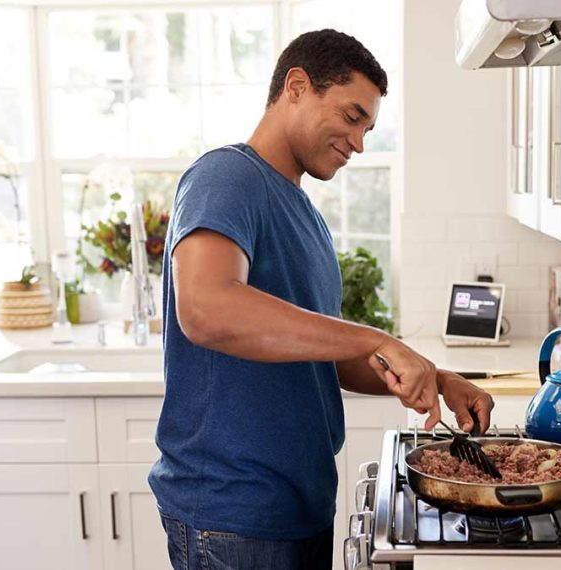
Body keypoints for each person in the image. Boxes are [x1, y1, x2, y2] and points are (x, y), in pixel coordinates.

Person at [149, 29, 494, 570]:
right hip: (233, 516)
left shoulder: (304, 214)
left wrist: (432, 375)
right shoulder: (226, 177)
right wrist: (380, 338)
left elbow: (323, 355)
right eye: (353, 116)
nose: (359, 143)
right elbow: (205, 308)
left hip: (297, 506)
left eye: (368, 128)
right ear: (296, 87)